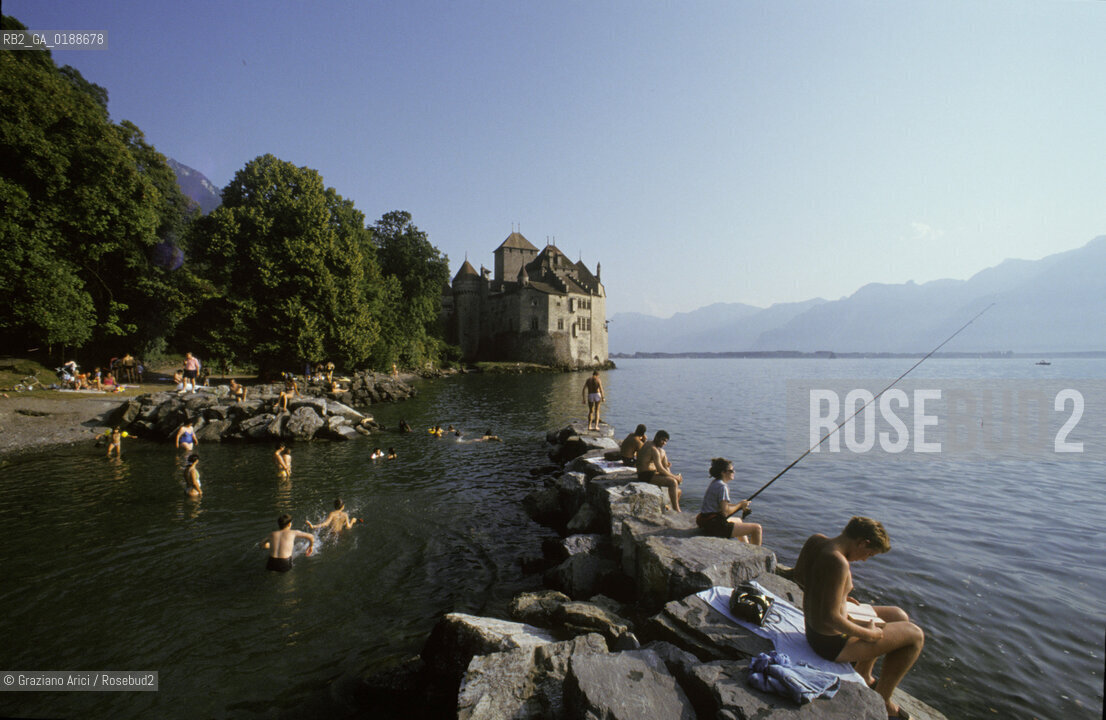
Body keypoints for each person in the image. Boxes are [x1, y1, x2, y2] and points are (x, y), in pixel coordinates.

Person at [793, 517, 924, 720]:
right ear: (863, 542)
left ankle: (864, 673)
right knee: (915, 636)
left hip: (814, 630)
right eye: (869, 554)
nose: (864, 559)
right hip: (830, 644)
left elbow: (799, 577)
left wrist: (840, 598)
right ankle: (883, 701)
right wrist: (869, 634)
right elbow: (831, 618)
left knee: (898, 615)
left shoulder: (816, 541)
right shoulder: (838, 562)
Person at [695, 458, 762, 544]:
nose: (734, 472)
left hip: (705, 522)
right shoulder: (722, 487)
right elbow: (725, 512)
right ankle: (756, 555)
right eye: (731, 470)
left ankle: (746, 547)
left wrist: (740, 504)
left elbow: (721, 505)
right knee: (757, 528)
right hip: (714, 526)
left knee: (738, 520)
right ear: (723, 472)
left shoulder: (715, 483)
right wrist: (739, 505)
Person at [636, 430, 682, 512]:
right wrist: (675, 477)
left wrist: (671, 474)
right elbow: (660, 469)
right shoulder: (653, 449)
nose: (664, 443)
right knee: (673, 482)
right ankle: (677, 509)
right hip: (645, 475)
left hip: (650, 473)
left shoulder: (649, 443)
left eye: (665, 441)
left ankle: (670, 504)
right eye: (662, 440)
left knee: (663, 453)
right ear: (656, 437)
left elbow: (660, 466)